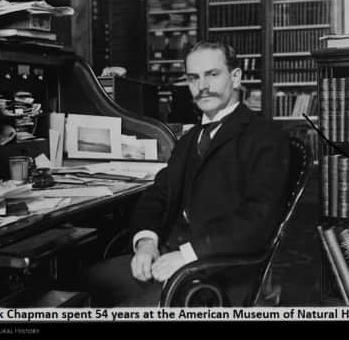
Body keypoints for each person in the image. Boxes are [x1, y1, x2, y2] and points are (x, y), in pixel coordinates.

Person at [84, 41, 289, 307]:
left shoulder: (266, 137)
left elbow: (257, 220)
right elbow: (157, 196)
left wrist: (187, 256)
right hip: (167, 258)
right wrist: (146, 242)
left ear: (236, 77)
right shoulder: (189, 139)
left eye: (212, 74)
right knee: (82, 284)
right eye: (193, 77)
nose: (202, 86)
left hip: (219, 271)